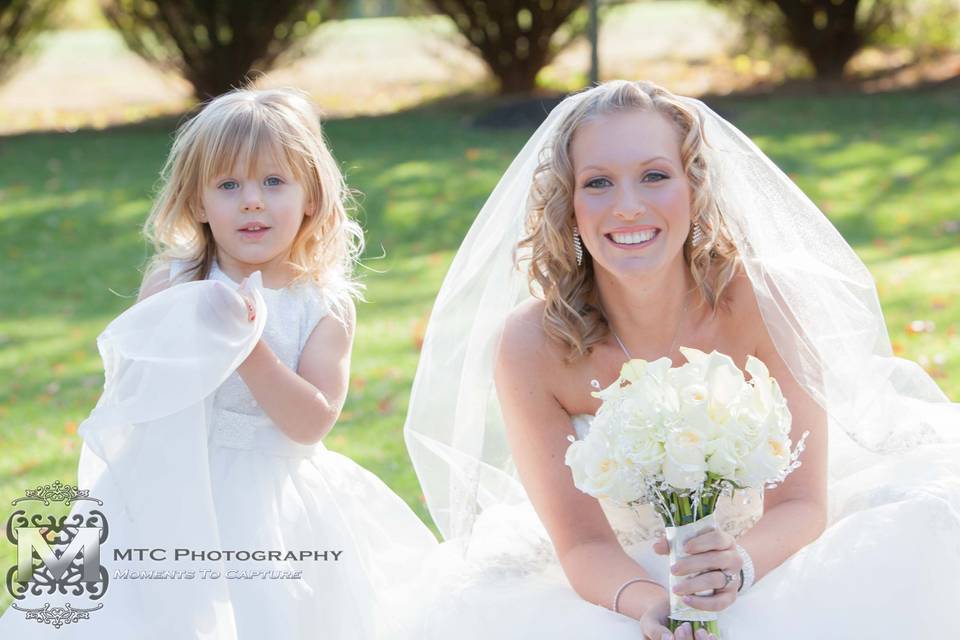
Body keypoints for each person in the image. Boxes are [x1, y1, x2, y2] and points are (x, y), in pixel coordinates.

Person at [402, 80, 960, 639]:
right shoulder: (529, 345)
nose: (627, 206)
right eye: (598, 183)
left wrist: (735, 567)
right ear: (568, 208)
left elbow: (801, 501)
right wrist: (652, 603)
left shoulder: (767, 304)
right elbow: (582, 541)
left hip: (773, 554)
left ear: (693, 188)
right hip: (617, 581)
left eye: (654, 175)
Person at [0, 87, 435, 639]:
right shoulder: (176, 284)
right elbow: (134, 395)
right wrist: (190, 333)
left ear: (311, 197)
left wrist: (248, 349)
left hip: (274, 502)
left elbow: (311, 422)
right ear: (199, 204)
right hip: (171, 486)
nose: (252, 201)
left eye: (274, 182)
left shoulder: (323, 303)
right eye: (229, 185)